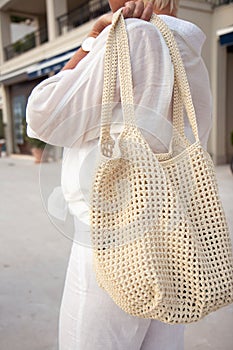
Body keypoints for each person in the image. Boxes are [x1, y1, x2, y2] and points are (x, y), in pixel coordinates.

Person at [26, 0, 212, 349]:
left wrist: (90, 43)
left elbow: (41, 115)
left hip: (113, 238)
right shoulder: (191, 51)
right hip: (176, 239)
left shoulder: (133, 37)